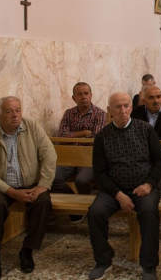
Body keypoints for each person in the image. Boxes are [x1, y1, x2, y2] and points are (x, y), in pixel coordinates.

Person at [88, 92, 161, 280]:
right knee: (95, 212)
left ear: (131, 107)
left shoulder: (145, 129)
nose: (123, 110)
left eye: (126, 106)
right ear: (109, 110)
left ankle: (148, 266)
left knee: (148, 212)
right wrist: (118, 194)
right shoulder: (102, 137)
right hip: (114, 190)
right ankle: (103, 261)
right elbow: (100, 173)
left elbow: (160, 161)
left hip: (143, 187)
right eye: (117, 107)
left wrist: (148, 184)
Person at [0, 96, 57, 279]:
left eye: (18, 110)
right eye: (9, 111)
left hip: (30, 184)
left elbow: (49, 155)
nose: (15, 115)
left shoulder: (32, 127)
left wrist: (43, 185)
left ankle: (27, 251)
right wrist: (12, 192)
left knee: (43, 202)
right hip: (0, 187)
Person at [51, 82, 107, 223]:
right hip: (68, 156)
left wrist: (74, 135)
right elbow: (61, 135)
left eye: (86, 93)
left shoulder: (100, 114)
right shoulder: (69, 113)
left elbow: (95, 138)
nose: (84, 97)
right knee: (51, 177)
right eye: (80, 94)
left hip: (89, 157)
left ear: (91, 95)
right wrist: (83, 133)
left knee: (81, 180)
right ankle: (76, 205)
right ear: (73, 97)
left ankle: (85, 207)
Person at [131, 86, 161, 199]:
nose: (156, 101)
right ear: (144, 101)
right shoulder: (135, 113)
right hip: (140, 151)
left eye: (158, 97)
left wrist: (150, 148)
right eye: (151, 98)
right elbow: (133, 135)